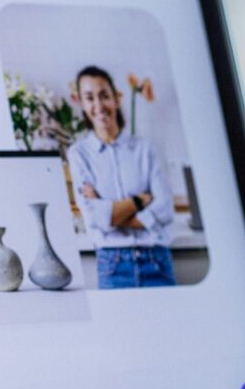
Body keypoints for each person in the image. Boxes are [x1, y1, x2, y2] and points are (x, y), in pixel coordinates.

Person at [66, 65, 175, 288]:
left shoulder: (145, 149)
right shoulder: (78, 155)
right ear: (81, 103)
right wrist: (139, 201)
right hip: (112, 265)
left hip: (156, 260)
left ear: (117, 98)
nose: (99, 105)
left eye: (104, 96)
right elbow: (94, 218)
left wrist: (114, 214)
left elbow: (164, 208)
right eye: (90, 98)